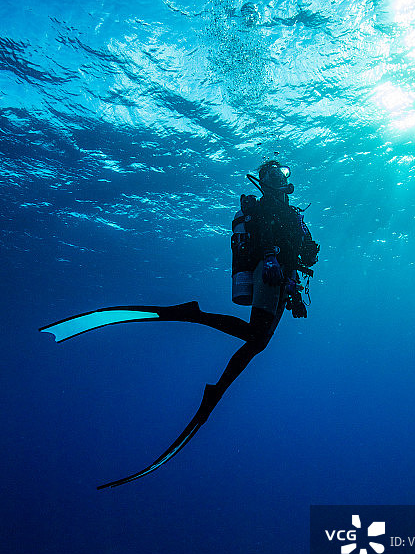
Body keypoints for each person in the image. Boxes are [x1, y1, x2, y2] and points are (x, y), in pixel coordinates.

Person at [40, 160, 319, 488]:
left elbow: (299, 257)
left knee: (257, 342)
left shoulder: (294, 215)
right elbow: (264, 242)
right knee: (257, 337)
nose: (280, 179)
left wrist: (298, 291)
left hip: (282, 281)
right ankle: (192, 318)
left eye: (283, 173)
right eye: (273, 175)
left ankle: (213, 386)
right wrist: (271, 257)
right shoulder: (262, 209)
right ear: (264, 180)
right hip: (266, 273)